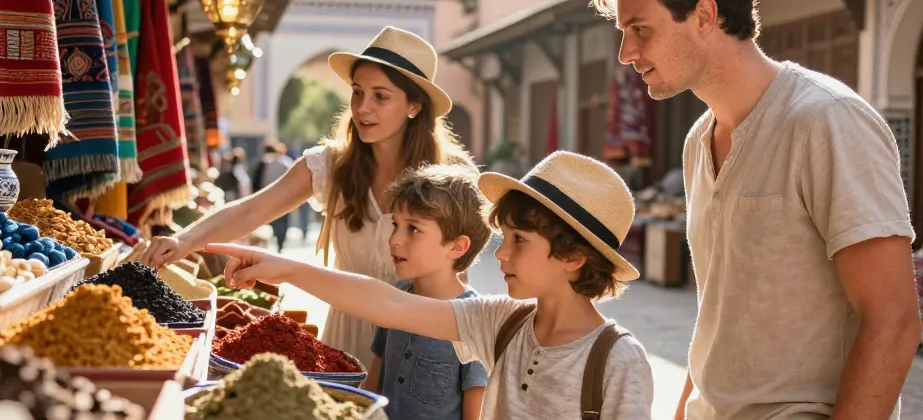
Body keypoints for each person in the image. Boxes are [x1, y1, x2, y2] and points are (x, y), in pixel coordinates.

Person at [590, 0, 921, 420]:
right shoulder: (698, 140)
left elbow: (893, 319)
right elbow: (721, 318)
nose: (626, 53)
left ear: (704, 15)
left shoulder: (827, 119)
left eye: (640, 29)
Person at [205, 151, 655, 419]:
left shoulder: (617, 359)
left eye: (519, 240)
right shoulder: (504, 322)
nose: (500, 253)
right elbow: (388, 305)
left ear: (574, 257)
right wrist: (284, 267)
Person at [142, 26, 474, 367]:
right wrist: (183, 241)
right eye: (358, 93)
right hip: (348, 337)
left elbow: (461, 276)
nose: (363, 108)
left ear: (414, 106)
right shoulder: (330, 165)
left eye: (381, 96)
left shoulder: (451, 176)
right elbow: (251, 211)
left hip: (422, 341)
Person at [362, 163, 490, 419]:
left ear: (457, 247)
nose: (395, 240)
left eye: (413, 229)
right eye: (395, 225)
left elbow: (474, 413)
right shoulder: (394, 297)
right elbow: (372, 389)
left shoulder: (476, 322)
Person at [251, 141, 295, 251]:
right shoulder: (287, 163)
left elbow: (260, 181)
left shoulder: (266, 164)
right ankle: (280, 243)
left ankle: (273, 241)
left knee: (272, 220)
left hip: (269, 197)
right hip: (285, 199)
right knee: (282, 222)